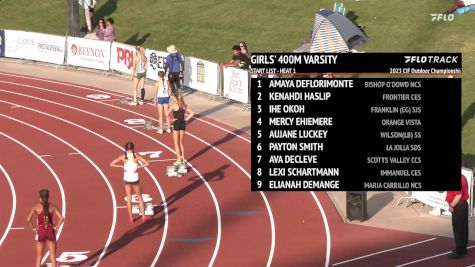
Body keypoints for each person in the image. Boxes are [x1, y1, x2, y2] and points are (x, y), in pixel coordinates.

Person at [110, 142, 152, 223]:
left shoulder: (122, 157)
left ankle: (131, 218)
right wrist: (138, 167)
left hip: (126, 178)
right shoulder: (137, 157)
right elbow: (147, 163)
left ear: (126, 149)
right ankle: (143, 217)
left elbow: (111, 164)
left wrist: (122, 166)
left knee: (129, 198)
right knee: (139, 197)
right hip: (135, 179)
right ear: (133, 149)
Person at [27, 189, 64, 267]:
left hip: (40, 230)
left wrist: (33, 228)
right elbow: (61, 219)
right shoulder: (53, 207)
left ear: (40, 198)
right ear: (48, 197)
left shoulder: (35, 207)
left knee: (39, 256)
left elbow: (28, 219)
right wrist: (56, 227)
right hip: (50, 230)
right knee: (53, 256)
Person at [167, 93, 194, 166]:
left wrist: (172, 120)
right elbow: (192, 113)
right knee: (181, 143)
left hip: (176, 124)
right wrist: (186, 119)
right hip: (183, 124)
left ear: (176, 98)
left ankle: (179, 159)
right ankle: (183, 159)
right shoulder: (184, 106)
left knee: (176, 143)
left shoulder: (174, 106)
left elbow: (166, 114)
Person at [446, 174, 470, 259]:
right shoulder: (462, 176)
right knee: (463, 228)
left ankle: (458, 251)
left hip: (458, 206)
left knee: (458, 228)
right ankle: (463, 249)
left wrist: (451, 205)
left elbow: (458, 194)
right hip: (463, 205)